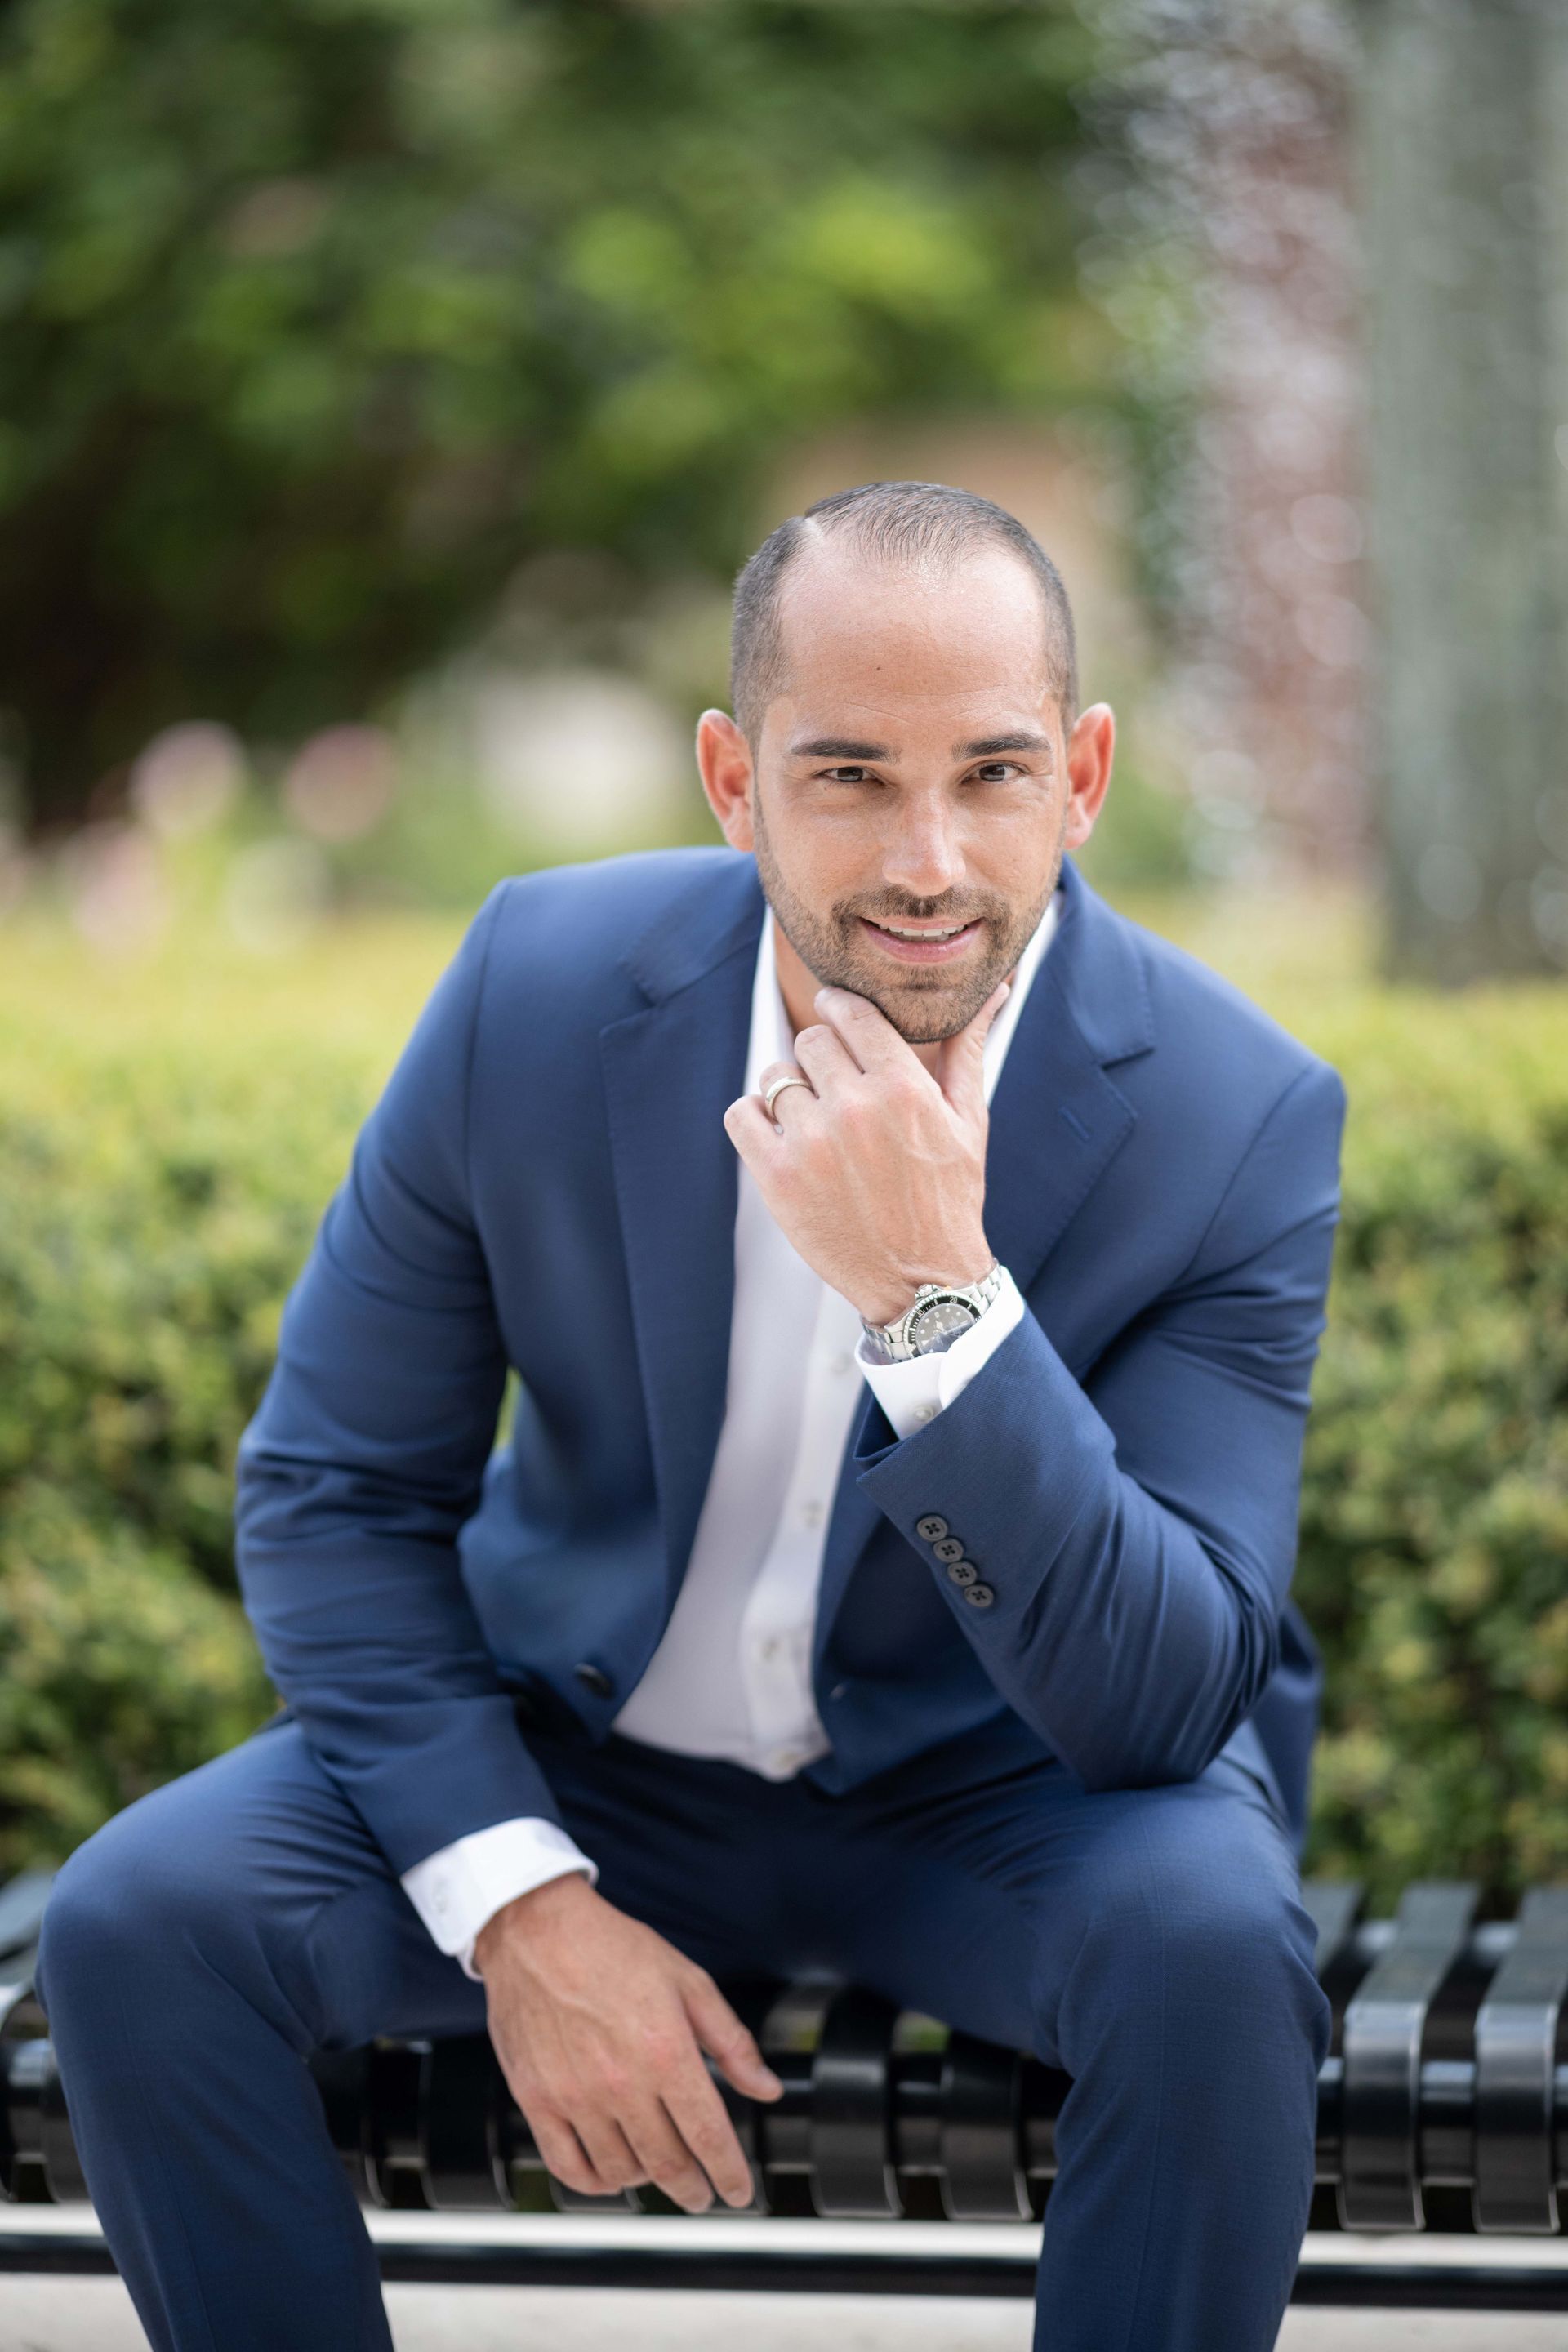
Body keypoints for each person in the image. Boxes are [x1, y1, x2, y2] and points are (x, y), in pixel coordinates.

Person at [38, 481, 1345, 2352]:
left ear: (1085, 774)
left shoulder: (1237, 1113)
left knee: (1212, 1962)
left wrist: (935, 1304)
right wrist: (524, 1909)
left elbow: (1157, 1702)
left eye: (989, 773)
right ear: (733, 781)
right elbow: (335, 1491)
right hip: (594, 1757)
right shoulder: (534, 991)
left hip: (1015, 1786)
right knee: (138, 1923)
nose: (928, 862)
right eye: (847, 777)